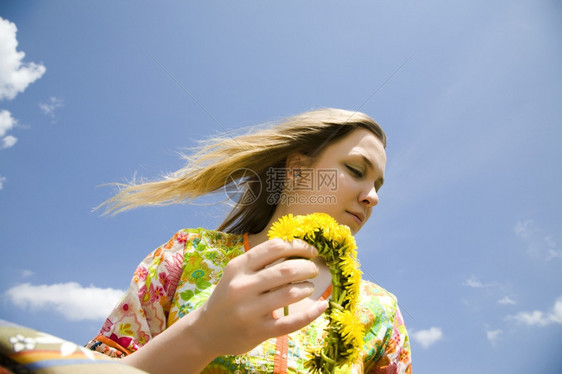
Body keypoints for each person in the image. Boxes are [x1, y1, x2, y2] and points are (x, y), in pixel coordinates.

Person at [86, 108, 412, 373]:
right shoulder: (189, 254)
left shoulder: (380, 310)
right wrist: (201, 335)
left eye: (377, 186)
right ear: (298, 168)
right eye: (356, 169)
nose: (372, 197)